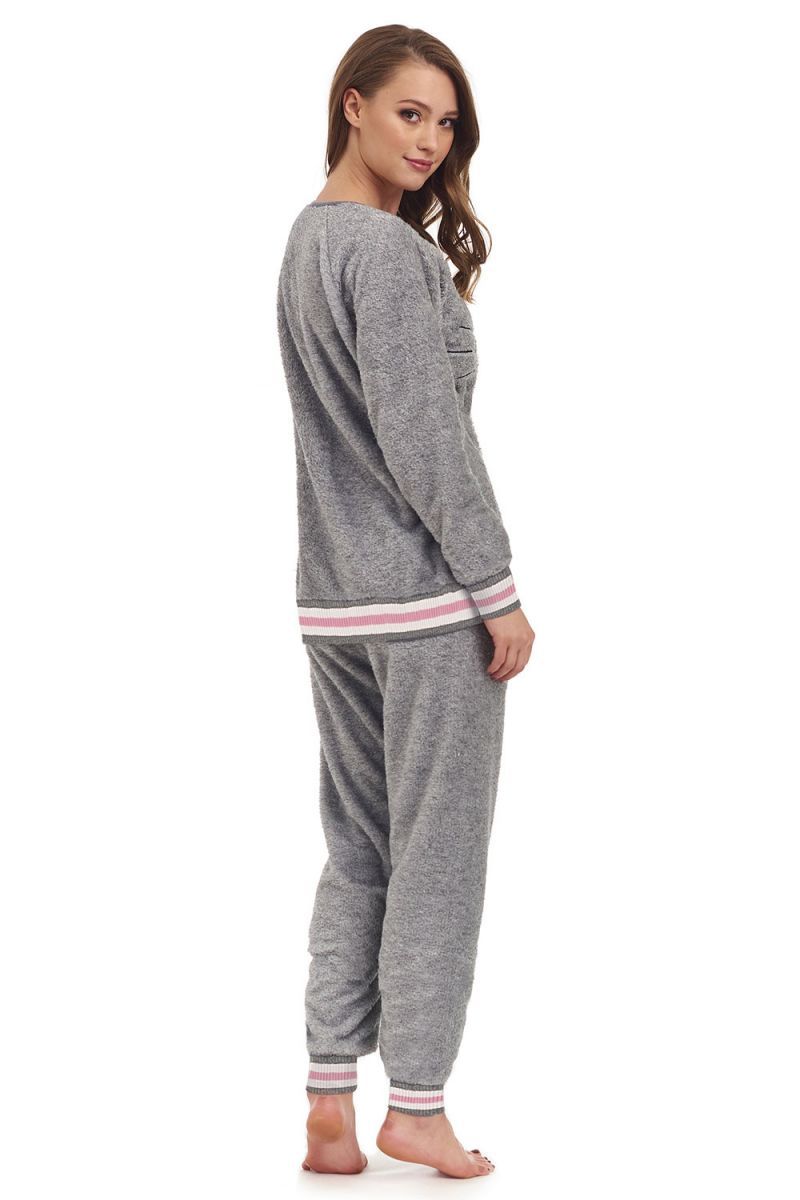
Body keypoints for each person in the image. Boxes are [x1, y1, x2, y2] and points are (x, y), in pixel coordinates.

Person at [276, 24, 535, 1180]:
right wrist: (496, 591)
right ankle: (416, 1106)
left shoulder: (304, 241)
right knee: (436, 856)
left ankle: (328, 1097)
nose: (429, 140)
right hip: (425, 606)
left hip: (333, 602)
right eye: (408, 113)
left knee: (361, 850)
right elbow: (424, 439)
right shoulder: (382, 253)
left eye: (445, 122)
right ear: (353, 106)